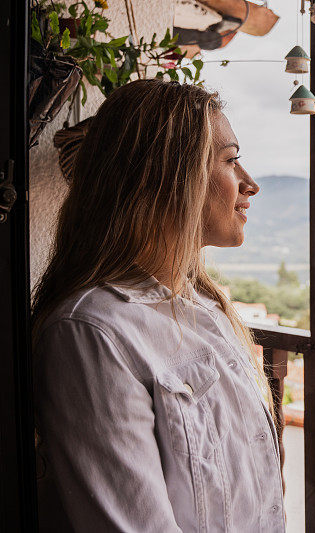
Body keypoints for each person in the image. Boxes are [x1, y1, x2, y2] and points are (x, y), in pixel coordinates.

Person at [31, 79, 285, 532]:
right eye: (230, 160)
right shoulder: (93, 332)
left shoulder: (206, 309)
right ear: (167, 176)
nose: (250, 184)